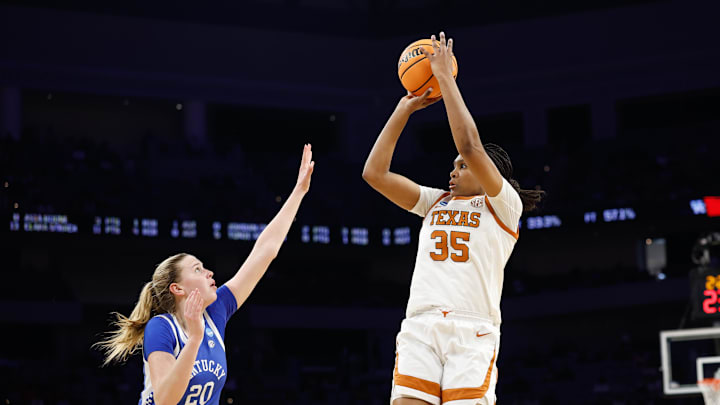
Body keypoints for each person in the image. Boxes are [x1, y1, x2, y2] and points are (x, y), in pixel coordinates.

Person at [362, 32, 544, 405]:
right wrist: (404, 109)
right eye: (453, 166)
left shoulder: (504, 207)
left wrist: (444, 77)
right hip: (421, 324)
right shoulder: (436, 202)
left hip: (471, 329)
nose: (455, 169)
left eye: (463, 167)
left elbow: (469, 145)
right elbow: (375, 174)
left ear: (489, 172)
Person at [95, 144, 315, 405]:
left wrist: (298, 193)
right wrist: (195, 339)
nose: (210, 272)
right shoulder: (162, 328)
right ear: (178, 288)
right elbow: (165, 400)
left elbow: (264, 252)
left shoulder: (216, 311)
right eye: (197, 269)